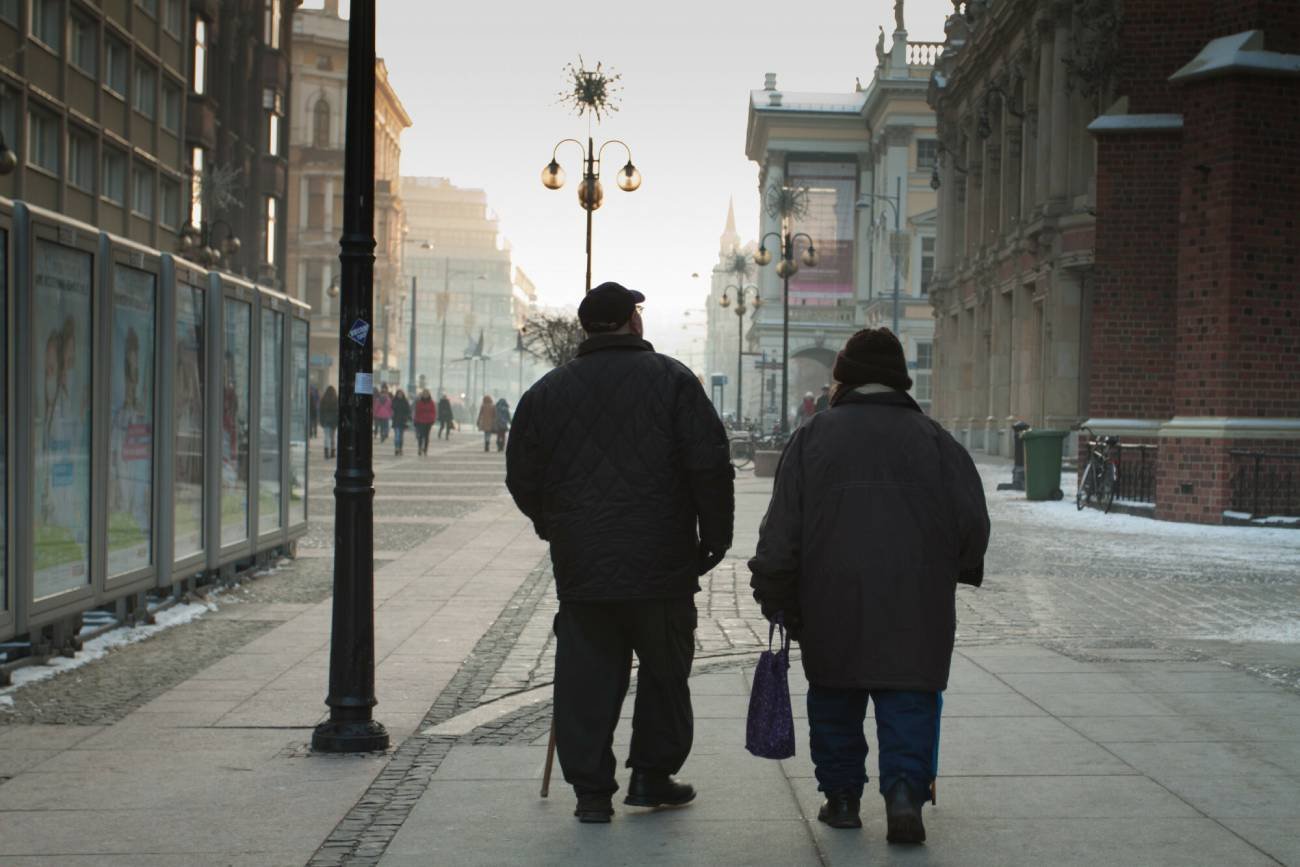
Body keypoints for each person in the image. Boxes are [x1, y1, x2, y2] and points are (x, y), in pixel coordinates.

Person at [748, 327, 989, 845]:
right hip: (916, 599)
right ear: (899, 379)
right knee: (909, 697)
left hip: (831, 595)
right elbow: (972, 523)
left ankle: (841, 799)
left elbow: (782, 525)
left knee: (835, 696)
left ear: (844, 378)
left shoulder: (813, 436)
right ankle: (904, 795)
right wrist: (956, 568)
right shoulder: (936, 440)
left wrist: (773, 587)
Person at [506, 281, 734, 824]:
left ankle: (591, 792)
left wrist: (553, 524)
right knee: (664, 672)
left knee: (586, 675)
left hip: (584, 563)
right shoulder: (675, 381)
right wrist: (715, 537)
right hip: (661, 561)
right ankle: (652, 776)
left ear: (587, 327)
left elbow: (521, 476)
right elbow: (709, 465)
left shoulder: (546, 392)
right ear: (633, 323)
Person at [413, 389, 437, 455]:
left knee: (426, 436)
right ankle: (420, 448)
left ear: (429, 395)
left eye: (427, 394)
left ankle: (425, 449)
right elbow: (417, 412)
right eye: (424, 394)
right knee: (420, 435)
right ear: (422, 395)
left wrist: (432, 419)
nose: (425, 395)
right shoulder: (420, 402)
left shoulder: (431, 402)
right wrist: (416, 420)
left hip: (429, 421)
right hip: (421, 420)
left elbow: (433, 411)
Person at [319, 386, 339, 460]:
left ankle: (326, 452)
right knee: (333, 437)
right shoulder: (336, 399)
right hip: (334, 421)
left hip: (326, 420)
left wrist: (321, 420)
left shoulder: (324, 399)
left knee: (326, 437)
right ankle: (332, 452)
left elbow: (321, 411)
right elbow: (338, 411)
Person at [391, 388, 411, 456]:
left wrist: (407, 417)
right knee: (397, 436)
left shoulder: (405, 402)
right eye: (399, 394)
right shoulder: (394, 401)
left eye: (401, 394)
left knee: (401, 436)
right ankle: (396, 448)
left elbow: (408, 411)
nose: (400, 395)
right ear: (397, 394)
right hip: (396, 420)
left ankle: (400, 448)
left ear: (403, 395)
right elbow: (392, 408)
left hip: (403, 421)